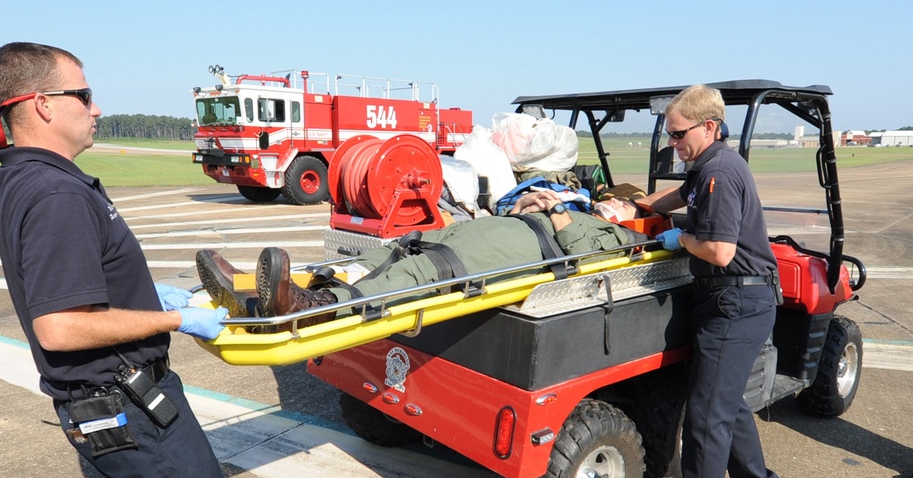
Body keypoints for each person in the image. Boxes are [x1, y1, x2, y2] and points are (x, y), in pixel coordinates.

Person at [0, 42, 304, 478]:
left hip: (130, 387)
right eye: (84, 95)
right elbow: (59, 326)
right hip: (117, 397)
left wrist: (149, 293)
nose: (96, 109)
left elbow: (81, 284)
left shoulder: (35, 177)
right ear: (41, 104)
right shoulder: (52, 194)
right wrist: (174, 321)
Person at [642, 84, 783, 478]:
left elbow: (720, 251)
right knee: (727, 404)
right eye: (669, 134)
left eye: (679, 134)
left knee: (705, 418)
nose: (673, 143)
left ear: (709, 127)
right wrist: (633, 207)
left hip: (736, 301)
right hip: (733, 297)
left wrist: (678, 236)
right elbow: (674, 195)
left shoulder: (721, 172)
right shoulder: (704, 167)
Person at [195, 190, 652, 325]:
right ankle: (254, 299)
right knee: (395, 251)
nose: (611, 202)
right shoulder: (575, 212)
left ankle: (313, 309)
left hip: (488, 256)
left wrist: (555, 210)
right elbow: (512, 216)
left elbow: (579, 254)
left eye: (622, 204)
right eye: (609, 198)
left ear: (631, 216)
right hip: (477, 234)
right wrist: (529, 206)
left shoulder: (613, 234)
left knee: (417, 270)